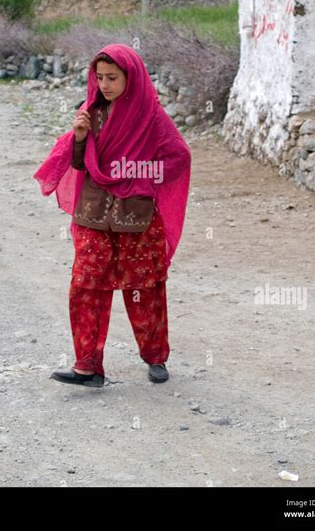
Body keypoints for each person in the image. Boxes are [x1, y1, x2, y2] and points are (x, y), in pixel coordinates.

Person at [33, 44, 191, 388]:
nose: (104, 85)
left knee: (144, 289)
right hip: (92, 215)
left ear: (130, 77)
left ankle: (155, 357)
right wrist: (78, 138)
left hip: (137, 218)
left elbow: (180, 157)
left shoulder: (151, 118)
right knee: (85, 287)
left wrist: (138, 174)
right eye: (99, 77)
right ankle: (87, 366)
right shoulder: (92, 113)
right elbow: (79, 164)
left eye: (112, 78)